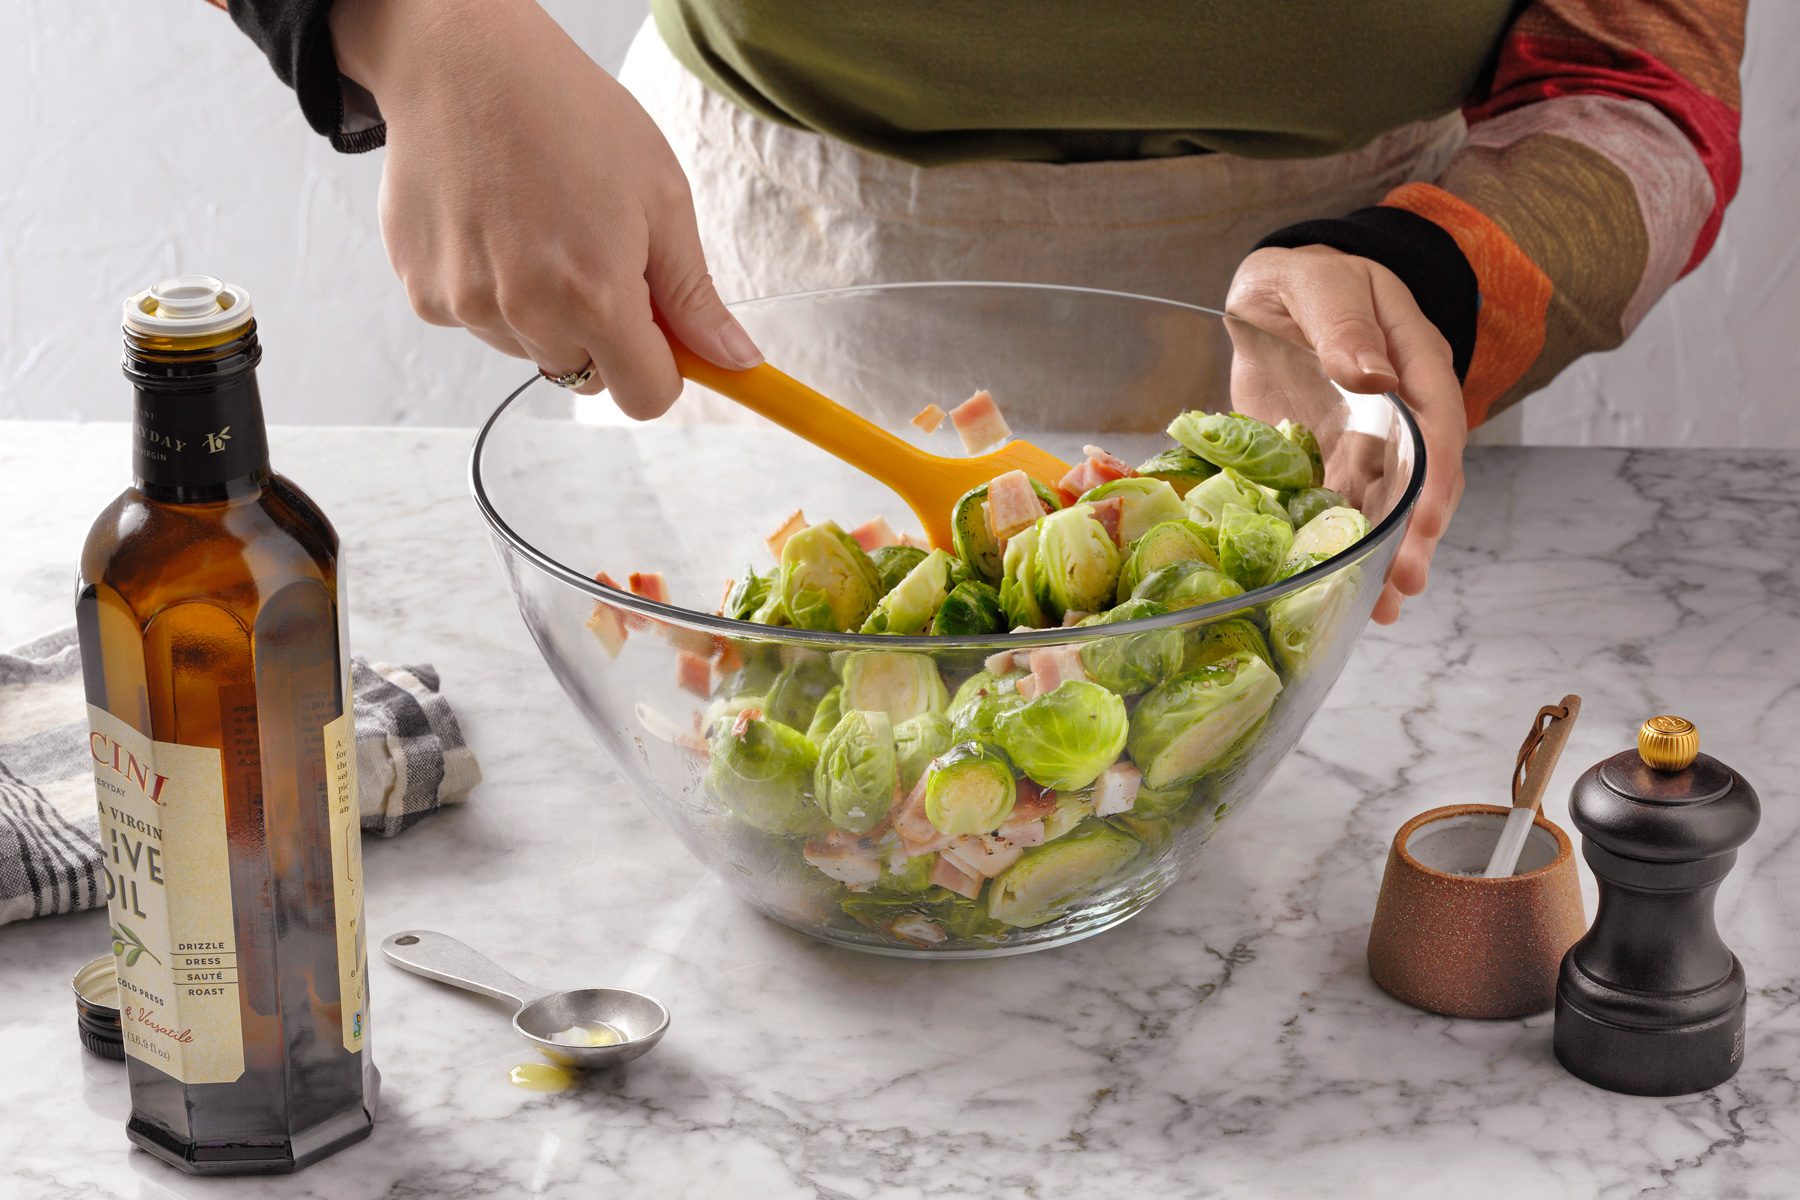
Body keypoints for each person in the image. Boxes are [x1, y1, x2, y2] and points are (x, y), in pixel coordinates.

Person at [217, 0, 1745, 623]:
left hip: (1364, 363)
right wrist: (407, 21)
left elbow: (1651, 82)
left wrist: (1428, 281)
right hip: (770, 275)